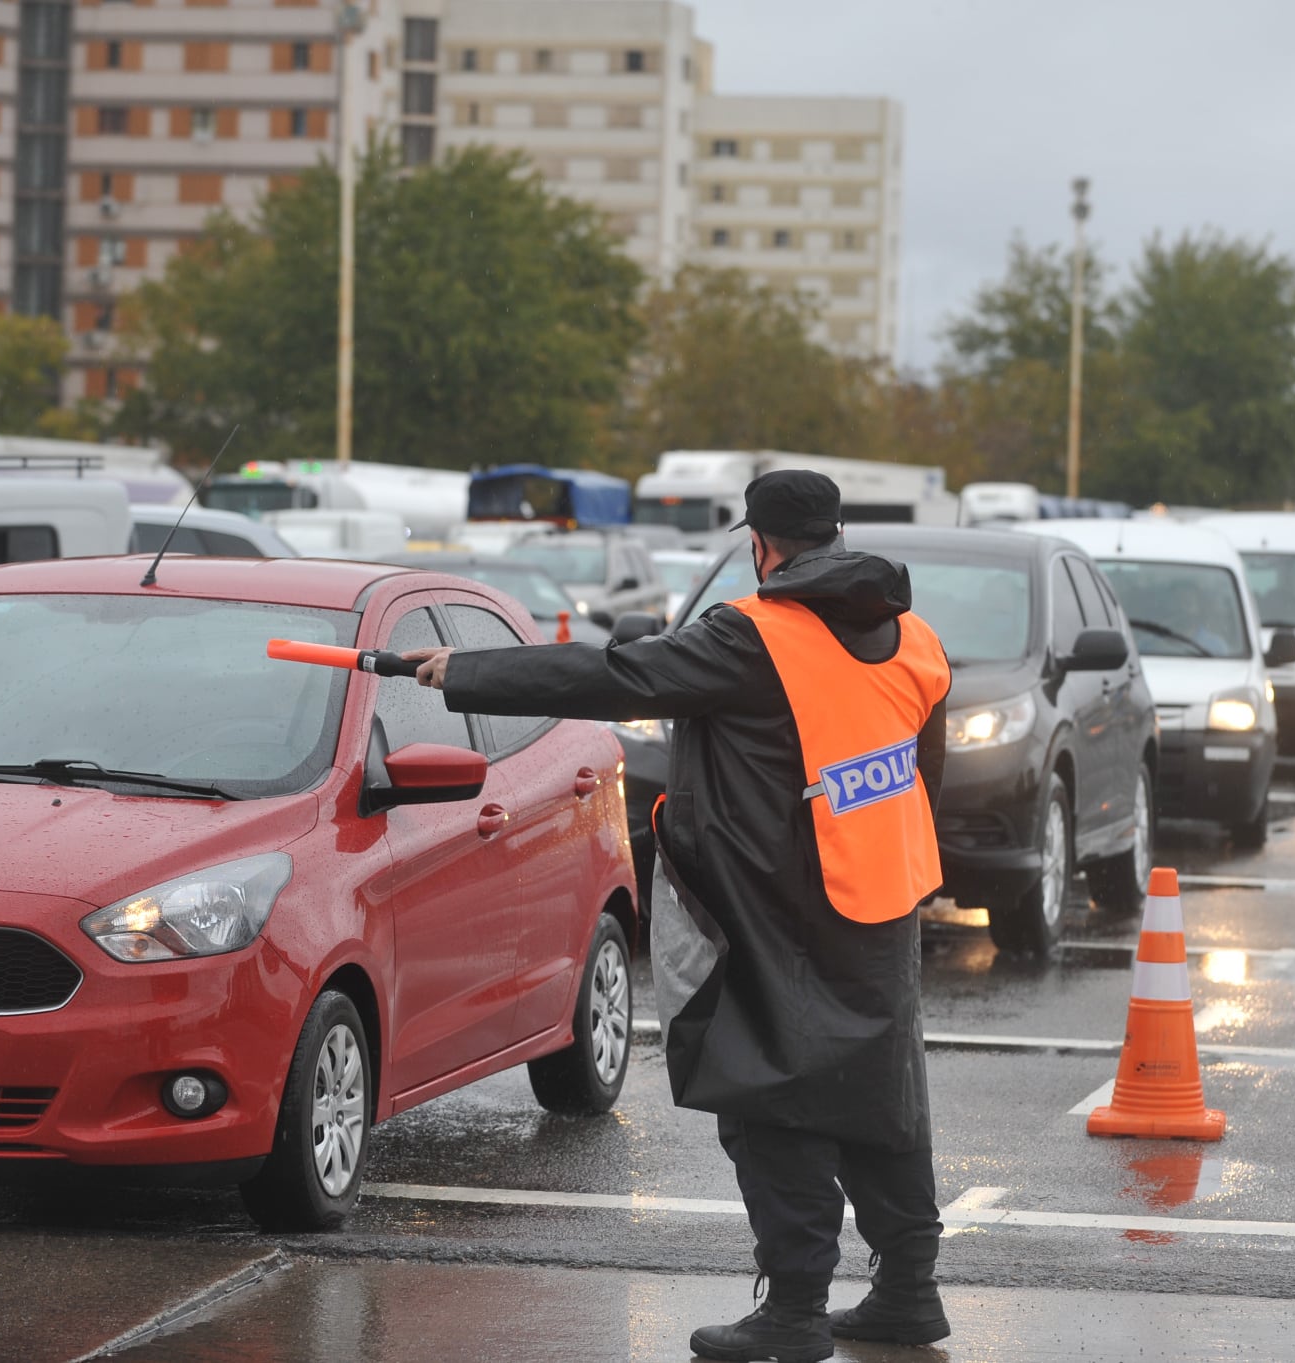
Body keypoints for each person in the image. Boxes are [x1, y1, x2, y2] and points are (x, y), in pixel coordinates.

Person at [406, 470, 954, 1362]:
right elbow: (924, 771)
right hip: (882, 898)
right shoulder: (916, 638)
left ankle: (796, 1311)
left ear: (761, 544)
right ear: (837, 532)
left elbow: (618, 673)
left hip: (776, 908)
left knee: (770, 1094)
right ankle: (908, 1290)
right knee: (881, 1097)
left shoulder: (752, 637)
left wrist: (467, 671)